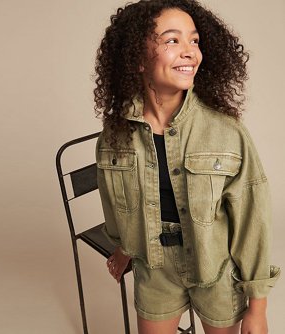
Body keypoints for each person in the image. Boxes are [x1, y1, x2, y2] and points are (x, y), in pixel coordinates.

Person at [94, 1, 280, 333]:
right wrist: (124, 247)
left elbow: (253, 220)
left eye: (194, 40)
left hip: (216, 268)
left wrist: (258, 306)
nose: (189, 52)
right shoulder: (115, 135)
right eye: (172, 40)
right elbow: (114, 205)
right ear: (137, 58)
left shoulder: (226, 131)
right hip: (154, 268)